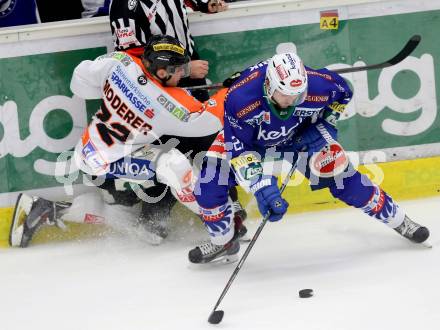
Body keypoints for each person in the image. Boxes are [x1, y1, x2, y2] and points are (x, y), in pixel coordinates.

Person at [188, 52, 430, 264]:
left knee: (343, 180)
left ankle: (400, 220)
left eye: (298, 94)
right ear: (269, 86)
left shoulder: (319, 85)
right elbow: (239, 150)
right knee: (209, 183)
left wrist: (325, 124)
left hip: (299, 137)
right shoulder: (240, 99)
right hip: (251, 141)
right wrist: (262, 187)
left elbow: (344, 92)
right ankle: (224, 241)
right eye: (285, 95)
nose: (292, 101)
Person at [9, 35, 243, 248]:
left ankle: (48, 209)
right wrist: (231, 92)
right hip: (110, 162)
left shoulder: (120, 62)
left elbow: (79, 80)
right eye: (179, 69)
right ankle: (220, 223)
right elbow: (207, 122)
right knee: (174, 165)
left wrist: (117, 89)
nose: (183, 73)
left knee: (135, 225)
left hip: (89, 154)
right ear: (161, 72)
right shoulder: (167, 103)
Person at [108, 0, 245, 240]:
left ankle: (227, 208)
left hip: (190, 85)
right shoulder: (124, 6)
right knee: (169, 155)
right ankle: (154, 216)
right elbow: (130, 62)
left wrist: (204, 4)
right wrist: (184, 68)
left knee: (211, 145)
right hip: (157, 95)